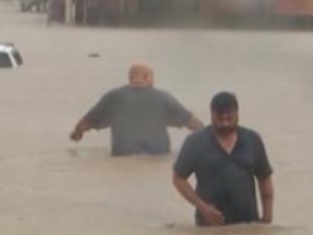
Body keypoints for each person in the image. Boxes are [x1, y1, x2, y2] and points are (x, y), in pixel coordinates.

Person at [173, 92, 274, 226]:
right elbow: (178, 179)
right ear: (211, 115)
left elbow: (264, 178)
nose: (225, 123)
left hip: (248, 227)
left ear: (237, 114)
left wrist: (267, 217)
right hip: (208, 227)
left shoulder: (252, 140)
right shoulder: (195, 142)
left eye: (229, 118)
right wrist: (202, 207)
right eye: (219, 119)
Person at [70, 63, 203, 156]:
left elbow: (86, 122)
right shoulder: (164, 97)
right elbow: (191, 122)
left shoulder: (113, 97)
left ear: (131, 77)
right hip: (157, 157)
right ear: (147, 77)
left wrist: (77, 133)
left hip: (122, 156)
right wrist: (211, 136)